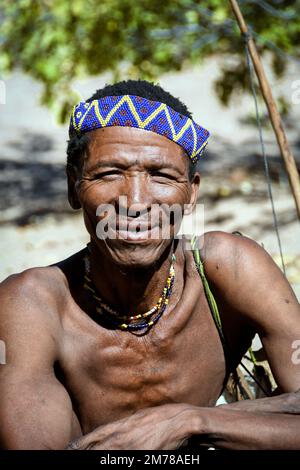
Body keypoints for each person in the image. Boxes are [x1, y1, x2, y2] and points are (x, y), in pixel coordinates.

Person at [0, 80, 299, 450]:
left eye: (161, 175)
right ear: (73, 186)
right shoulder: (32, 305)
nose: (136, 202)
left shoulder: (229, 268)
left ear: (192, 193)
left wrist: (191, 420)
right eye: (109, 173)